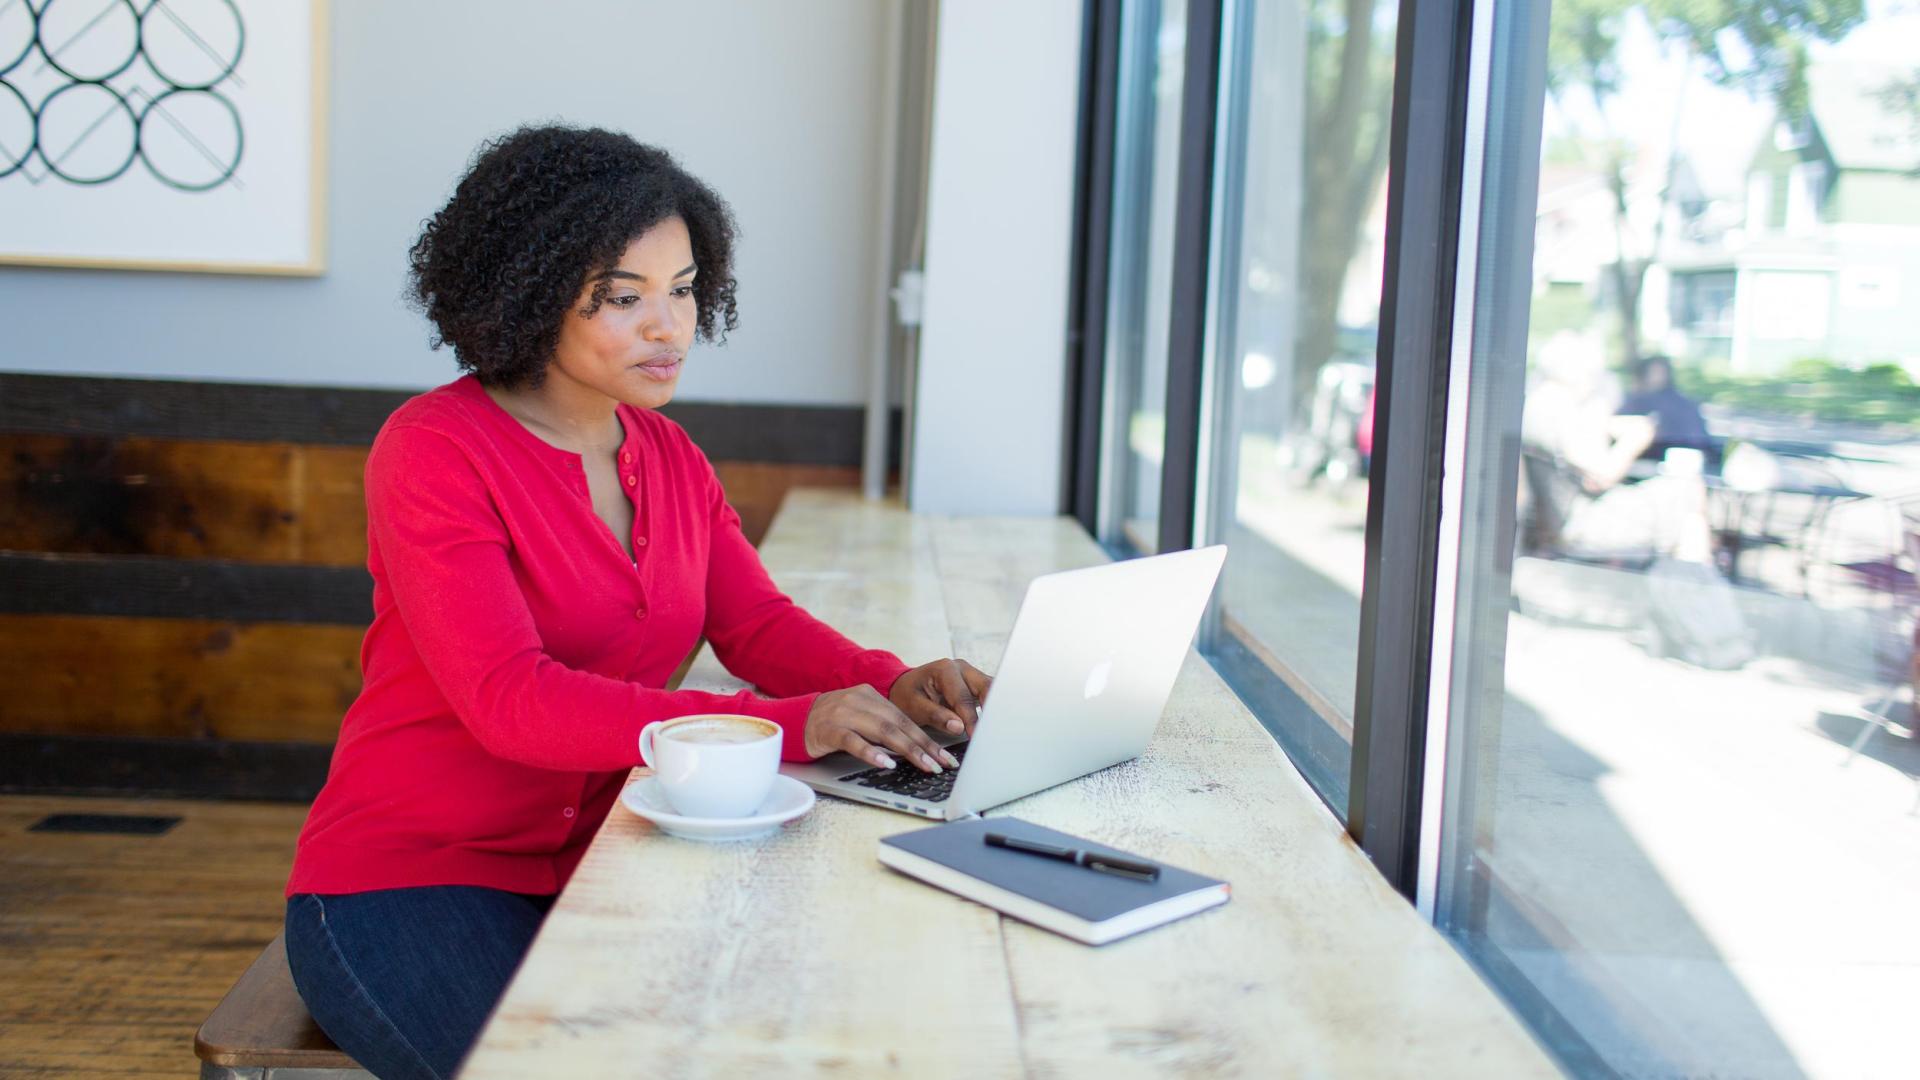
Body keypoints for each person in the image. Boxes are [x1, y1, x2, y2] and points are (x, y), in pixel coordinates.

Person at [281, 126, 991, 1080]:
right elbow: (511, 700)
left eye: (685, 289)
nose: (671, 327)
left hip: (607, 856)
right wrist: (786, 725)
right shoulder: (432, 450)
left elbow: (758, 626)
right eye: (623, 298)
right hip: (411, 880)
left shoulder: (669, 456)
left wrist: (894, 684)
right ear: (527, 294)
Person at [1617, 353, 1713, 465]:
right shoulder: (1637, 400)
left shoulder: (1679, 403)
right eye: (1654, 372)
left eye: (1660, 372)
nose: (1657, 376)